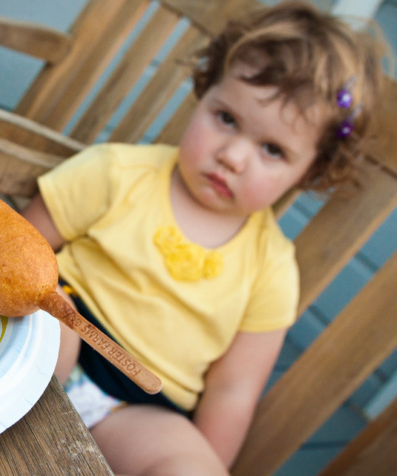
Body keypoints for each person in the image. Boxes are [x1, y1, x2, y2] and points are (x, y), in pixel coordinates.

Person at [20, 2, 389, 475]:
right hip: (66, 335)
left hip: (140, 408)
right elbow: (21, 248)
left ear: (307, 172)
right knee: (51, 317)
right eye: (227, 119)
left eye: (272, 150)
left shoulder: (272, 268)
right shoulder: (117, 172)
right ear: (206, 91)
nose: (233, 155)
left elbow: (233, 392)